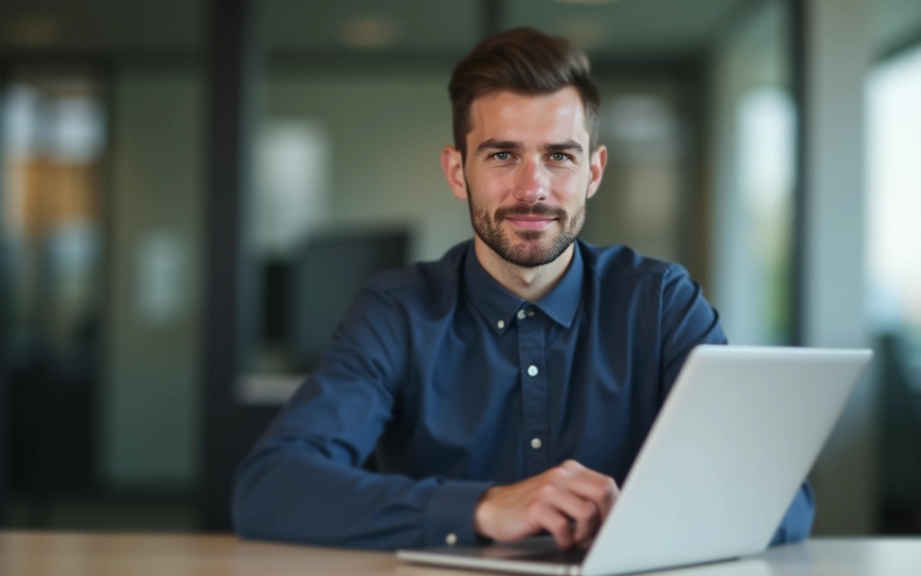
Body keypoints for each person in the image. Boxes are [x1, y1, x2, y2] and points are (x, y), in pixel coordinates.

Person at [232, 27, 814, 551]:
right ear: (458, 171)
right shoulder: (396, 313)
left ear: (594, 172)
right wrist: (482, 508)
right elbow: (270, 489)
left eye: (559, 156)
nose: (532, 188)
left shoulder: (660, 302)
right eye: (503, 154)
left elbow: (782, 498)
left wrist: (638, 520)